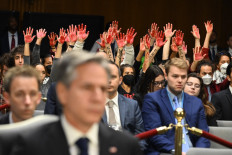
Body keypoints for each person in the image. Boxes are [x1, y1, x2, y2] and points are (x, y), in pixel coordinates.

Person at [9, 51, 142, 155]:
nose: (97, 97)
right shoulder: (32, 145)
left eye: (101, 88)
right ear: (62, 93)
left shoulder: (125, 145)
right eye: (87, 88)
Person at [142, 58, 210, 155]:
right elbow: (154, 134)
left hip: (192, 151)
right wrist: (176, 151)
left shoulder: (196, 102)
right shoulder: (152, 99)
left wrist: (197, 152)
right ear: (166, 76)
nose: (179, 80)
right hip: (165, 152)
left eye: (183, 77)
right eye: (175, 76)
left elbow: (204, 135)